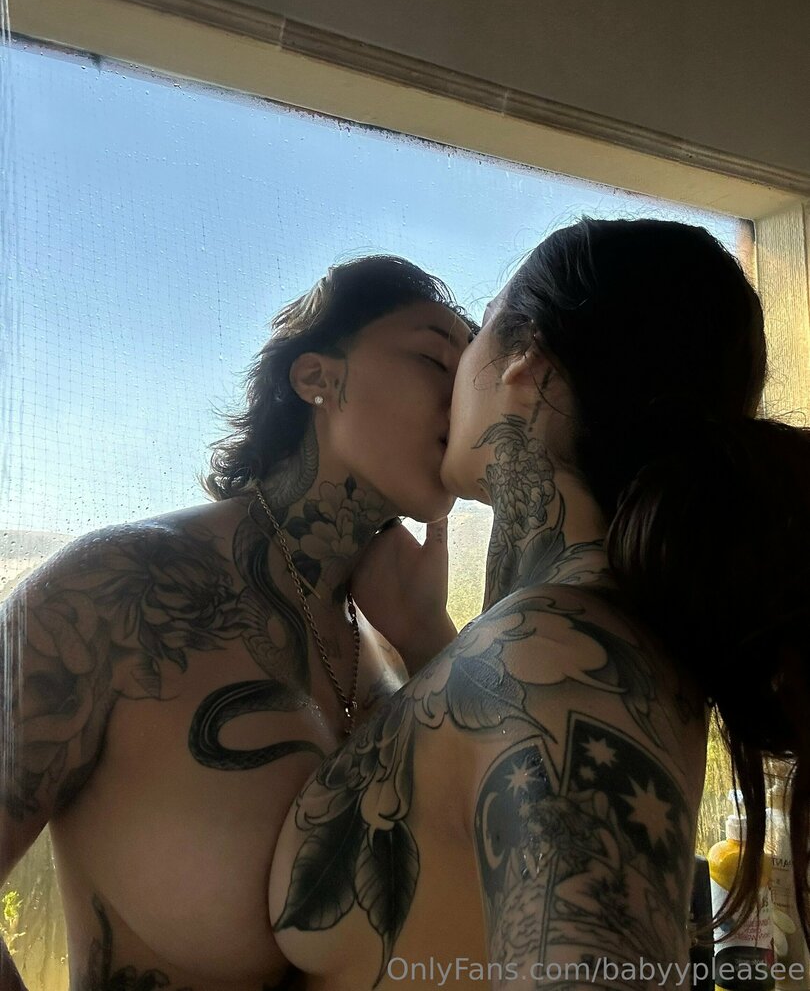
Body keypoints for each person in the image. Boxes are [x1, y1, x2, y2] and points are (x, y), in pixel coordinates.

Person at [269, 218, 810, 990]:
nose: (449, 378)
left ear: (525, 361)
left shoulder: (566, 661)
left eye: (474, 337)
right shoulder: (574, 638)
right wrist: (426, 637)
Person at [0, 255, 475, 991]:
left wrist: (429, 637)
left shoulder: (398, 649)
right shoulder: (116, 591)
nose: (462, 395)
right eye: (434, 359)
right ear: (317, 378)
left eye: (471, 374)